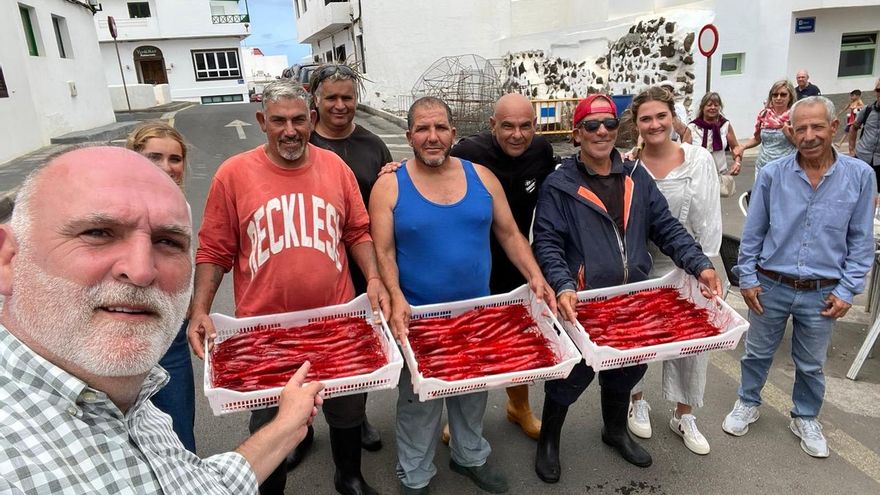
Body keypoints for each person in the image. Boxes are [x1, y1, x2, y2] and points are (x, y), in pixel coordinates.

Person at [0, 145, 323, 494]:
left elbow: (199, 486)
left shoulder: (135, 401)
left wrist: (288, 425)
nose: (141, 270)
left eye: (167, 241)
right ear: (7, 258)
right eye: (97, 232)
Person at [187, 80, 389, 495]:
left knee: (346, 407)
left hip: (336, 319)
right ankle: (271, 485)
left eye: (299, 119)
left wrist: (372, 278)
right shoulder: (233, 174)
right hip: (264, 331)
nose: (290, 130)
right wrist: (200, 308)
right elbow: (214, 248)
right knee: (271, 421)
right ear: (262, 122)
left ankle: (348, 476)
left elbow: (357, 231)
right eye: (279, 120)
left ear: (312, 120)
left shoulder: (335, 168)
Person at [370, 96, 556, 495]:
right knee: (419, 403)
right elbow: (382, 251)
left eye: (440, 128)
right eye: (422, 129)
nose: (432, 137)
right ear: (409, 136)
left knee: (472, 394)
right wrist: (395, 296)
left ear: (454, 133)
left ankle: (469, 457)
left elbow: (509, 234)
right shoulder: (389, 184)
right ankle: (414, 475)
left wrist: (536, 277)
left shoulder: (482, 177)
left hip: (475, 313)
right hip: (417, 317)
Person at [531, 94, 722, 483]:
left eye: (609, 124)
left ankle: (614, 430)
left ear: (619, 131)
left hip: (631, 298)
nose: (602, 131)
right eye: (591, 125)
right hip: (581, 301)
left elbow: (665, 227)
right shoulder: (559, 184)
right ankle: (548, 441)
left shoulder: (636, 175)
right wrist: (564, 284)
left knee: (626, 371)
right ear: (576, 134)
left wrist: (699, 263)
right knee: (570, 377)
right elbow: (547, 242)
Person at [723, 96, 875, 459]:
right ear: (790, 131)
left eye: (817, 127)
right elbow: (754, 231)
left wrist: (847, 290)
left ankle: (805, 416)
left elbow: (860, 239)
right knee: (757, 353)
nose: (808, 136)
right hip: (770, 284)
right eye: (800, 128)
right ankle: (748, 401)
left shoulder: (859, 176)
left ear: (834, 128)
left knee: (811, 363)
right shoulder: (774, 173)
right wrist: (746, 278)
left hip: (822, 292)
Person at [626, 87, 722, 455]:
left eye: (660, 116)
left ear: (673, 117)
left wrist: (708, 264)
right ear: (636, 124)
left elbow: (711, 219)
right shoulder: (628, 165)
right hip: (642, 265)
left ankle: (684, 414)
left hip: (689, 262)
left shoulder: (698, 160)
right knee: (637, 341)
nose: (654, 125)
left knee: (692, 343)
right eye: (646, 119)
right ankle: (636, 399)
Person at [307, 63, 390, 455]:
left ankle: (355, 418)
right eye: (331, 98)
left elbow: (389, 202)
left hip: (360, 266)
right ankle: (299, 427)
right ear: (315, 100)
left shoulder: (374, 146)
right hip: (312, 265)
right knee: (306, 347)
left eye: (348, 98)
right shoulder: (298, 141)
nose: (340, 106)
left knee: (355, 348)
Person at [125, 121, 196, 452]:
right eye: (154, 157)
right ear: (134, 157)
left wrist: (194, 310)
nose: (167, 168)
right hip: (124, 332)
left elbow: (185, 264)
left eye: (174, 159)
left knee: (179, 433)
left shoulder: (183, 208)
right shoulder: (113, 206)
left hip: (171, 336)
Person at [739, 80, 797, 180]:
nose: (778, 98)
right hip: (763, 167)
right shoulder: (764, 115)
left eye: (783, 95)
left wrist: (789, 135)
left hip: (785, 169)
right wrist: (743, 147)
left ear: (790, 97)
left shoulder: (795, 116)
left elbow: (802, 145)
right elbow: (757, 139)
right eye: (775, 95)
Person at [686, 92, 744, 182]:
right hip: (697, 177)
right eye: (709, 105)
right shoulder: (693, 127)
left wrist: (737, 162)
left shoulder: (725, 125)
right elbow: (684, 153)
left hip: (719, 175)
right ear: (702, 107)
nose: (713, 108)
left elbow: (735, 147)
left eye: (716, 105)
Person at [849, 79, 880, 188]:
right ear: (875, 92)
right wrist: (852, 150)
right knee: (857, 188)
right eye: (878, 90)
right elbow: (854, 128)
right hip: (862, 158)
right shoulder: (867, 110)